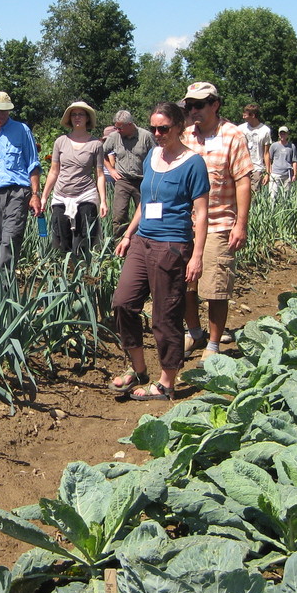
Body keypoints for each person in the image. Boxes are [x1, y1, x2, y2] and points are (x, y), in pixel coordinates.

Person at [110, 102, 209, 400]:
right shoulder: (152, 155)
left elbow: (201, 213)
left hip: (172, 246)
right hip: (143, 241)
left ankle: (167, 381)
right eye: (153, 128)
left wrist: (197, 255)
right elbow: (145, 201)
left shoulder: (194, 163)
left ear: (179, 127)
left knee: (165, 316)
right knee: (123, 302)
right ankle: (139, 368)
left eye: (163, 128)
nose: (157, 133)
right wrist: (129, 234)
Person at [181, 82, 252, 362]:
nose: (193, 111)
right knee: (186, 283)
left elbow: (243, 181)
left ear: (215, 105)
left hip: (220, 222)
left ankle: (212, 344)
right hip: (185, 222)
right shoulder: (185, 136)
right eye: (189, 106)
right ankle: (194, 331)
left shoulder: (232, 135)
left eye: (199, 105)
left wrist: (241, 224)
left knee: (215, 287)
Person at [0, 91, 42, 279]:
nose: (2, 115)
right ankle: (0, 290)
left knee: (9, 241)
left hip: (17, 192)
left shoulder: (22, 130)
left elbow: (33, 164)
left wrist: (35, 194)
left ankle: (2, 291)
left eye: (6, 111)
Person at [41, 101, 107, 258]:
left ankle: (83, 274)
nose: (77, 117)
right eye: (74, 114)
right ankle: (65, 275)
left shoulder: (96, 144)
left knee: (83, 240)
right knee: (62, 240)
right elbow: (53, 171)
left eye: (81, 114)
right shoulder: (60, 142)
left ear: (87, 118)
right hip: (61, 196)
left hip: (85, 195)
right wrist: (44, 197)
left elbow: (99, 174)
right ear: (70, 118)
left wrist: (103, 200)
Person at [103, 110, 156, 241]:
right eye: (116, 127)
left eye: (120, 127)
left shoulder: (146, 136)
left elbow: (157, 155)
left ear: (130, 124)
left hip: (142, 180)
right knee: (119, 215)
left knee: (147, 214)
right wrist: (111, 170)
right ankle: (119, 247)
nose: (117, 130)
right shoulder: (114, 137)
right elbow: (101, 153)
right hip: (123, 180)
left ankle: (143, 243)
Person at [238, 103, 272, 193]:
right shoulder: (240, 129)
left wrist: (268, 173)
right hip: (242, 167)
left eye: (245, 115)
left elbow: (266, 153)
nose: (243, 117)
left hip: (257, 168)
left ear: (253, 115)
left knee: (254, 196)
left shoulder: (265, 131)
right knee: (242, 195)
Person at [268, 126, 297, 199]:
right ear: (278, 135)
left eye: (284, 133)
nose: (282, 135)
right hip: (275, 173)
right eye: (281, 133)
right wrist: (269, 171)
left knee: (286, 196)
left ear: (287, 134)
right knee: (273, 195)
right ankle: (272, 209)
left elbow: (294, 161)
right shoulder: (274, 146)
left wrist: (295, 174)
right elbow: (269, 159)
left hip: (287, 174)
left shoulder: (292, 146)